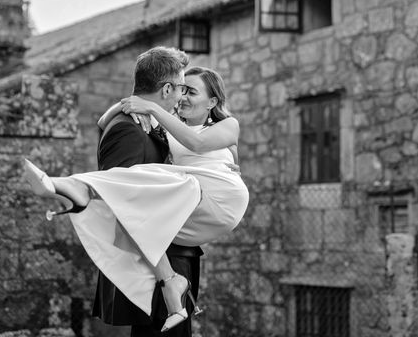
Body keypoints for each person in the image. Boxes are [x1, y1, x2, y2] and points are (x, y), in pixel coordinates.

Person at [23, 55, 249, 333]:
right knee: (143, 199)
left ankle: (76, 189)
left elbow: (199, 143)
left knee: (156, 182)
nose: (183, 97)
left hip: (218, 196)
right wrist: (128, 105)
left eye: (191, 91)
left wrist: (151, 108)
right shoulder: (170, 124)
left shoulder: (227, 125)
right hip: (190, 198)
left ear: (212, 102)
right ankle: (170, 282)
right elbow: (103, 121)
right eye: (182, 89)